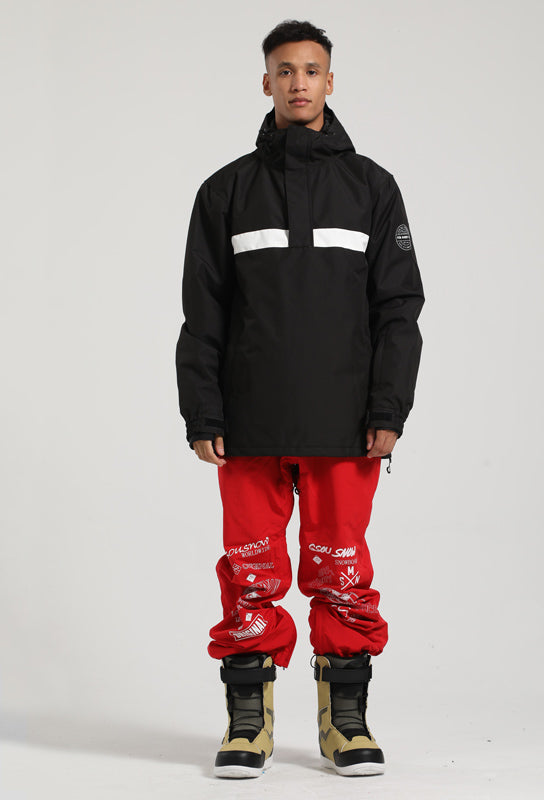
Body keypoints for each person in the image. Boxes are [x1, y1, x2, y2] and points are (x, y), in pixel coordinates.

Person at [175, 18, 425, 779]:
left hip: (344, 422)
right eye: (284, 71)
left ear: (329, 81)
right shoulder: (225, 191)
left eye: (310, 70)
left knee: (341, 571)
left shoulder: (373, 188)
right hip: (247, 423)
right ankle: (246, 724)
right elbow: (202, 312)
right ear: (266, 82)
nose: (298, 83)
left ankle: (345, 721)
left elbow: (399, 309)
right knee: (250, 573)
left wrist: (388, 411)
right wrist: (202, 412)